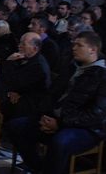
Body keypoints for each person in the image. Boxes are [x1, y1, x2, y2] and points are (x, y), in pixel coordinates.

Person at [7, 32, 106, 174]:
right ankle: (38, 167)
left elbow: (96, 114)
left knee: (60, 142)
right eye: (73, 44)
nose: (73, 48)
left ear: (93, 49)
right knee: (16, 126)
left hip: (87, 128)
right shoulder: (72, 66)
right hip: (58, 119)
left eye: (79, 45)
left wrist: (60, 124)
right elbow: (52, 94)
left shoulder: (102, 74)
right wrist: (45, 116)